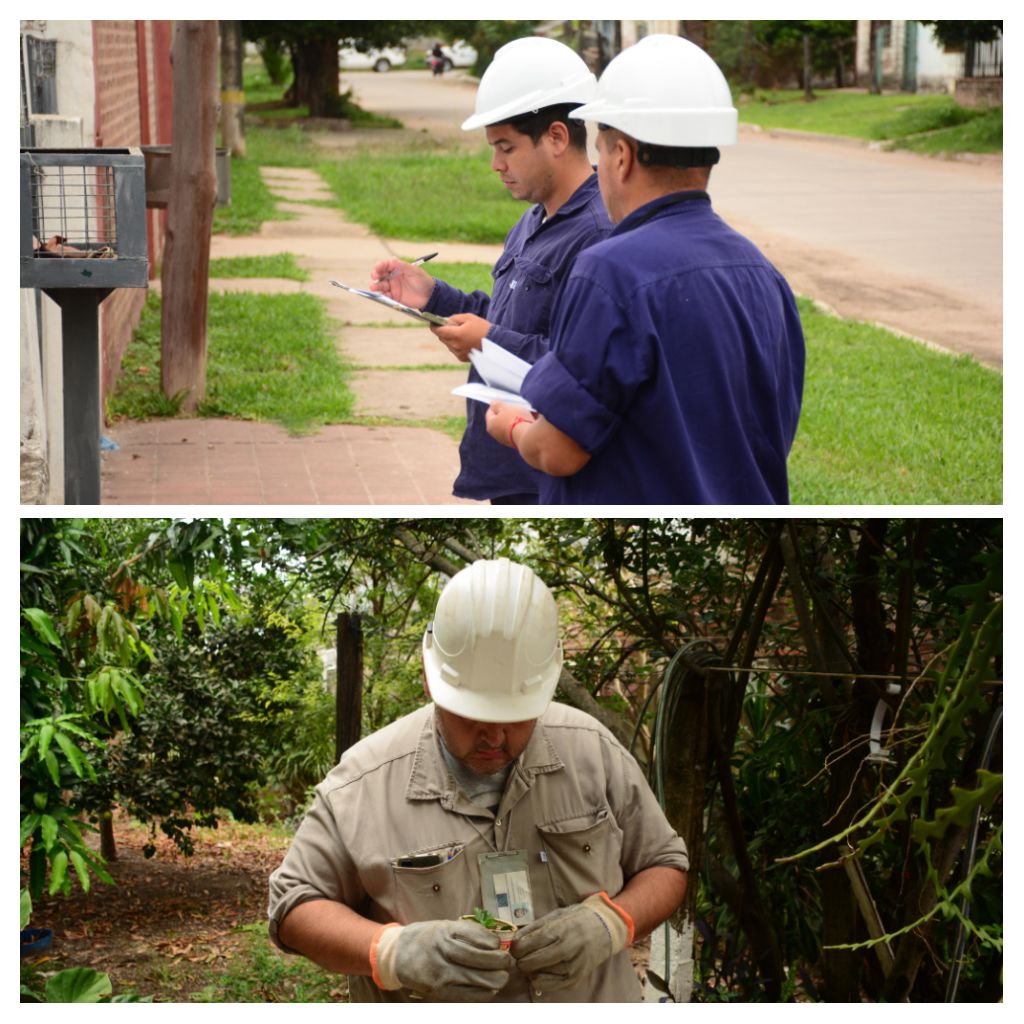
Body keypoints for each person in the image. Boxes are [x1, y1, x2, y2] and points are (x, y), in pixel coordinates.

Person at [268, 558, 689, 1002]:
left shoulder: (592, 752)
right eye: (472, 715)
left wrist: (610, 923)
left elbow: (666, 864)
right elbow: (293, 907)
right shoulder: (362, 784)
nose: (494, 736)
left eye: (516, 716)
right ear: (430, 680)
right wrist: (393, 952)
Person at [484, 35, 806, 504]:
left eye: (600, 151)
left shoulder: (609, 272)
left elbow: (557, 449)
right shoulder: (764, 274)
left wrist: (512, 426)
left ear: (622, 156)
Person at [370, 37, 613, 505]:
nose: (495, 164)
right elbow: (511, 322)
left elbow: (585, 367)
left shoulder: (598, 235)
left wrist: (488, 341)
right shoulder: (532, 220)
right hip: (510, 465)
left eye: (506, 147)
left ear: (557, 137)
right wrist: (434, 298)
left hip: (548, 479)